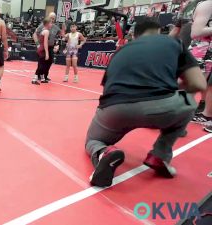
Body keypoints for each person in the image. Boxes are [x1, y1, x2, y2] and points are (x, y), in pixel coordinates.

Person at [85, 19, 206, 187]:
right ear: (159, 31)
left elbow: (107, 89)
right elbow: (199, 84)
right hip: (162, 107)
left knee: (93, 140)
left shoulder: (120, 52)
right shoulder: (174, 44)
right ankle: (160, 154)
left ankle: (104, 152)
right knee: (189, 102)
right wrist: (171, 87)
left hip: (115, 109)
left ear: (135, 35)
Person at [189, 0, 212, 132]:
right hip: (201, 53)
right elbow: (196, 32)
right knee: (190, 89)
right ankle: (171, 121)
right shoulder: (208, 4)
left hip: (207, 53)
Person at [33, 12, 65, 83]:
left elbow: (62, 35)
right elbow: (34, 34)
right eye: (51, 18)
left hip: (50, 47)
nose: (52, 20)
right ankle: (37, 76)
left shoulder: (56, 27)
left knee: (49, 62)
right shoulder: (42, 25)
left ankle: (45, 76)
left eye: (53, 18)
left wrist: (63, 29)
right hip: (43, 47)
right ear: (48, 17)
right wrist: (38, 44)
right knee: (41, 62)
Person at [32, 18, 52, 85]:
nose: (51, 24)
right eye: (51, 23)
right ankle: (34, 79)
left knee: (43, 64)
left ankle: (43, 79)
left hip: (40, 49)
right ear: (47, 24)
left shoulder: (43, 30)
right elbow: (45, 43)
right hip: (42, 50)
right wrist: (47, 53)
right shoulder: (46, 31)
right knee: (41, 65)